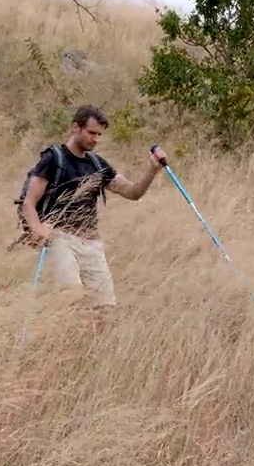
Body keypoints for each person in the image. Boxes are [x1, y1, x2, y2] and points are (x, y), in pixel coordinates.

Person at [18, 104, 168, 313]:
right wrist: (37, 229)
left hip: (91, 242)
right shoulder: (54, 159)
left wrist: (153, 170)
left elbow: (133, 192)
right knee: (71, 296)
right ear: (75, 128)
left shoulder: (97, 165)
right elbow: (29, 202)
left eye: (99, 134)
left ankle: (86, 344)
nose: (95, 139)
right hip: (60, 237)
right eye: (91, 132)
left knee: (104, 308)